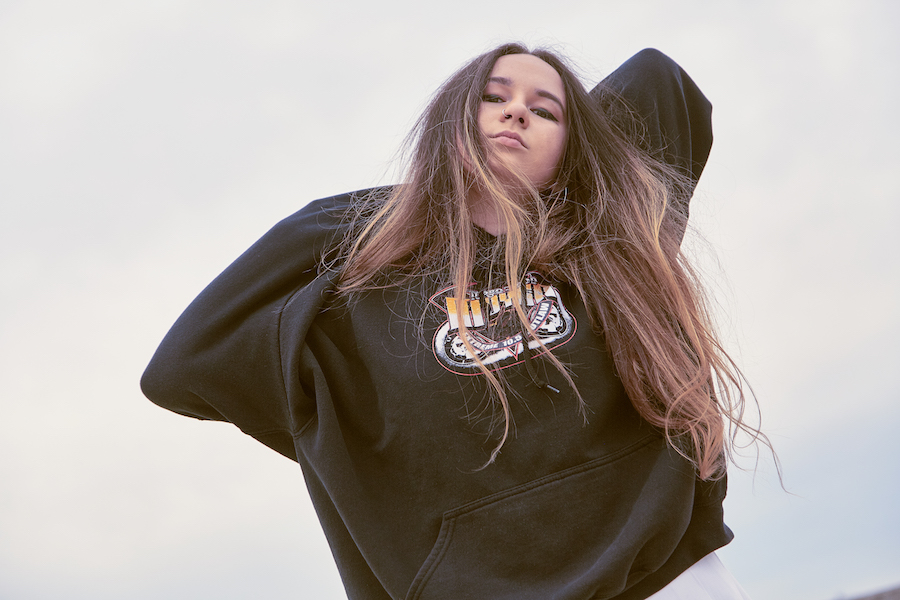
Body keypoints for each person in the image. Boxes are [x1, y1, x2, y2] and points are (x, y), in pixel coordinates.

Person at [141, 44, 759, 600]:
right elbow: (181, 366)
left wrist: (567, 167)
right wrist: (410, 204)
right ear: (450, 123)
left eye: (545, 110)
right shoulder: (362, 304)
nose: (516, 112)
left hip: (671, 581)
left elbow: (659, 79)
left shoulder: (608, 245)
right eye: (493, 97)